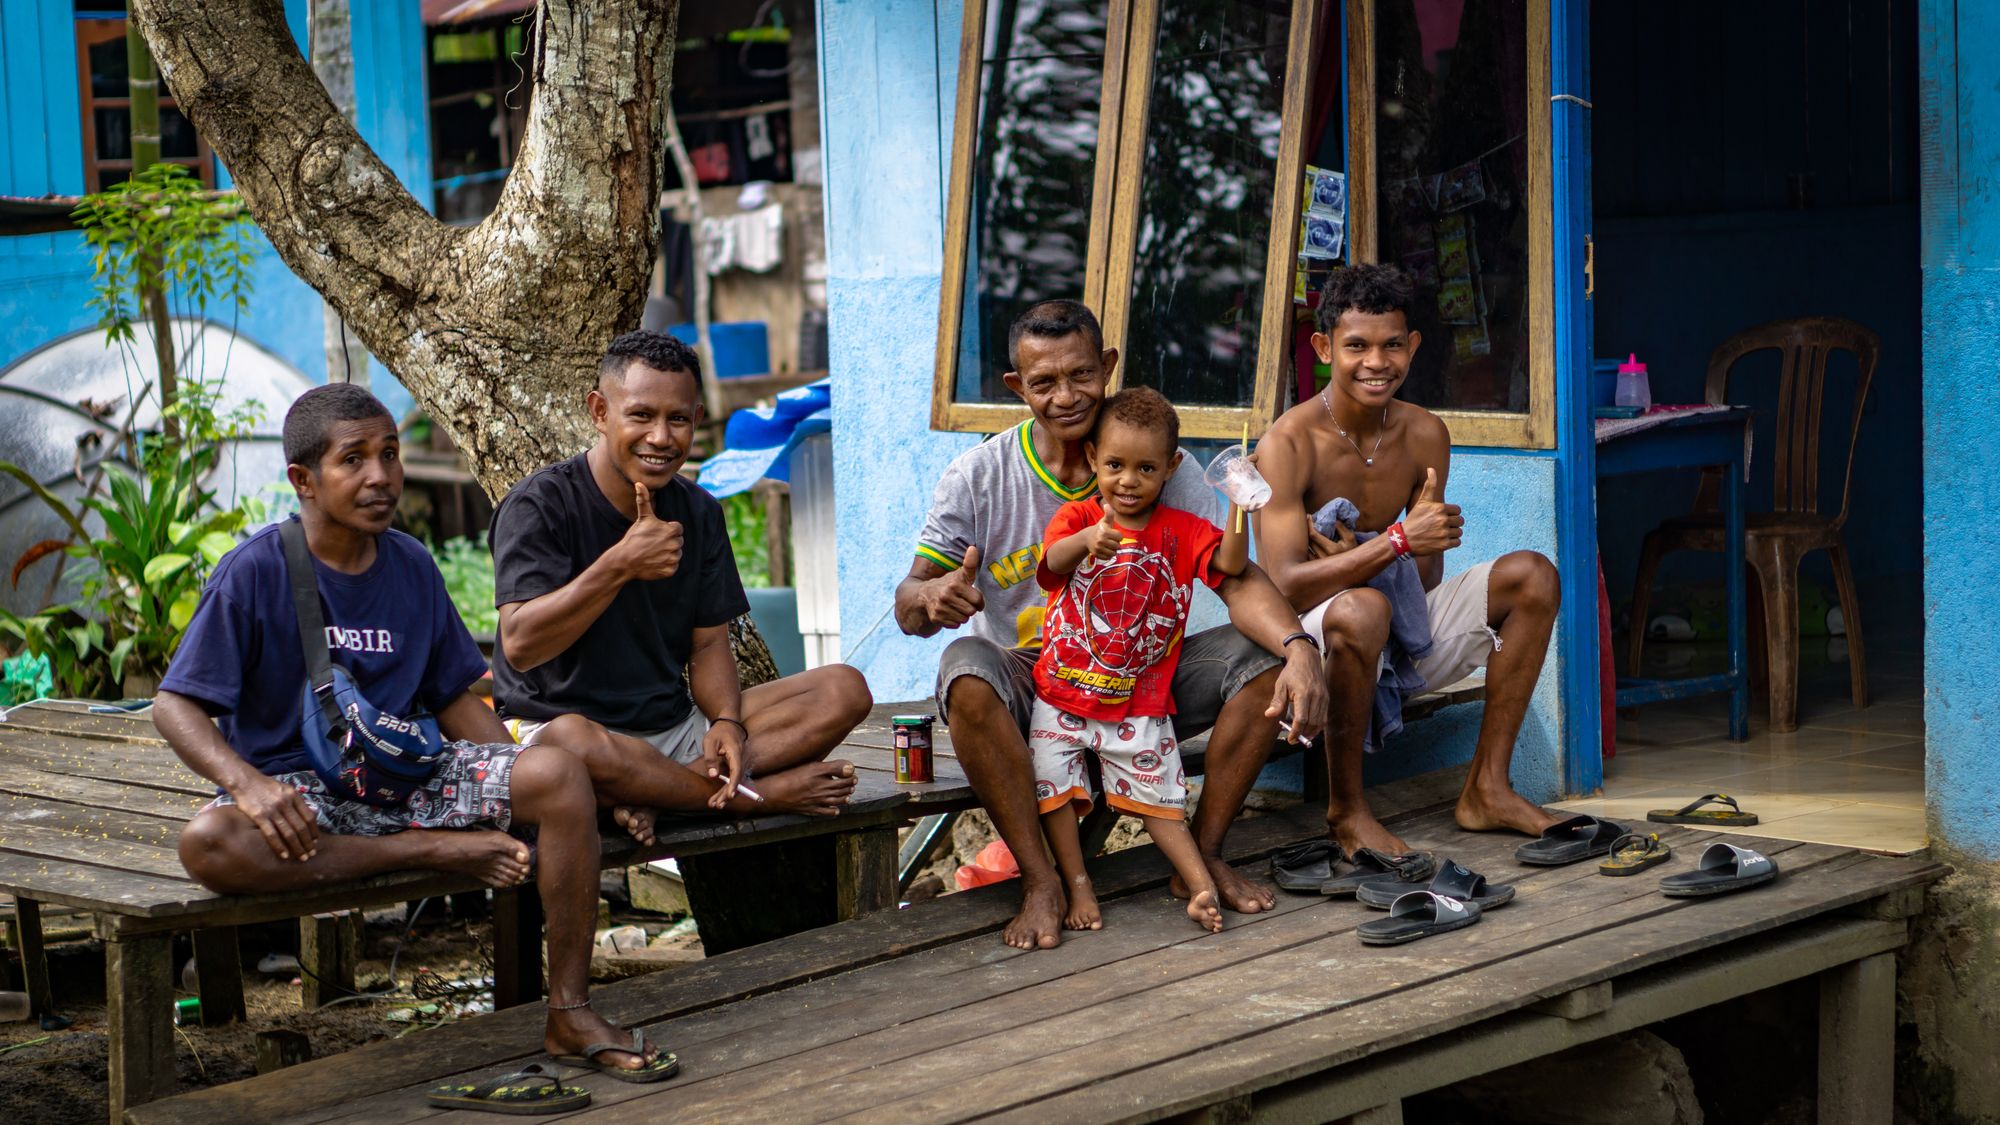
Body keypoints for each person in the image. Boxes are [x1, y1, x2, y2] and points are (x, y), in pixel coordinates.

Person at [156, 384, 676, 1104]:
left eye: (391, 454)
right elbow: (173, 703)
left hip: (404, 777)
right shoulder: (257, 570)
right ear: (304, 479)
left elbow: (452, 699)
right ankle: (431, 850)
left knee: (557, 772)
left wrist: (538, 787)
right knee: (206, 842)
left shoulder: (410, 565)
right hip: (301, 790)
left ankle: (568, 1011)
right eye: (355, 460)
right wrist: (247, 784)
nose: (382, 476)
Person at [895, 300, 1328, 951]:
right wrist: (933, 597)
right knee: (966, 667)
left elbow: (1234, 577)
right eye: (1043, 383)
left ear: (1107, 366)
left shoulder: (1151, 456)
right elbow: (908, 600)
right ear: (1018, 387)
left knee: (1262, 659)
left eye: (1080, 375)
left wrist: (1299, 646)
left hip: (1143, 675)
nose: (1065, 396)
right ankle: (1043, 882)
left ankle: (1202, 856)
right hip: (1035, 677)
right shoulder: (980, 477)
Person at [489, 330, 872, 844]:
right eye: (641, 415)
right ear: (600, 412)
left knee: (843, 688)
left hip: (672, 730)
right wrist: (620, 563)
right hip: (567, 733)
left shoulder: (698, 510)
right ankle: (745, 798)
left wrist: (728, 723)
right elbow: (520, 645)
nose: (661, 438)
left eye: (679, 419)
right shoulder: (539, 505)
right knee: (573, 746)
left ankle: (661, 796)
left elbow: (709, 643)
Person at [1252, 264, 1564, 857]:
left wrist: (1400, 550)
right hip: (1305, 642)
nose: (1377, 362)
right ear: (1323, 348)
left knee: (1533, 576)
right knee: (1363, 608)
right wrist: (1392, 544)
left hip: (1399, 626)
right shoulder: (1289, 443)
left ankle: (1487, 789)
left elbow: (1424, 581)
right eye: (1356, 347)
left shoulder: (1425, 434)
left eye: (1392, 344)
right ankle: (1347, 811)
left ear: (1413, 346)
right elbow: (1287, 586)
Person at [1032, 388, 1251, 934]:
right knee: (1053, 787)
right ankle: (1078, 882)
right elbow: (1052, 562)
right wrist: (1087, 539)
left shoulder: (1181, 531)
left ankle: (1198, 885)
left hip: (1139, 701)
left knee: (1161, 802)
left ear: (1171, 468)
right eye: (1114, 465)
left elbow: (1230, 563)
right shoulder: (1077, 517)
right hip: (1062, 692)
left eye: (1145, 468)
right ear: (1092, 460)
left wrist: (1241, 505)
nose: (1128, 480)